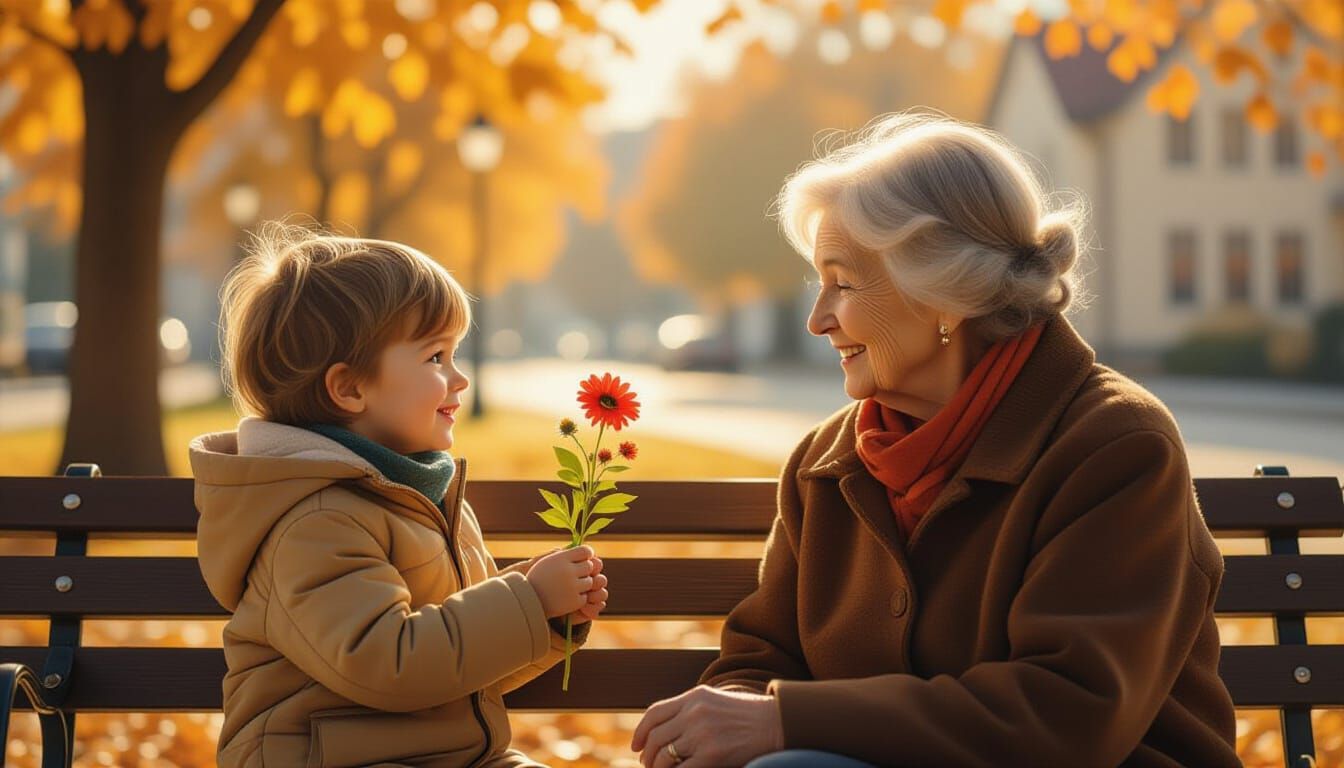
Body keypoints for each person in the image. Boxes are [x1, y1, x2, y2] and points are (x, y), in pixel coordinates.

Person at [632, 112, 1240, 768]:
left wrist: (790, 721)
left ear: (945, 292)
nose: (817, 320)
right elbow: (759, 662)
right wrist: (723, 727)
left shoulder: (1116, 446)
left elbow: (1066, 713)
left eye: (843, 282)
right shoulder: (825, 464)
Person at [190, 222, 608, 767]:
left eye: (456, 355)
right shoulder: (312, 520)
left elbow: (460, 665)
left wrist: (548, 619)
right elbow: (389, 663)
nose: (458, 379)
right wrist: (527, 601)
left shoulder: (425, 497)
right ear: (349, 387)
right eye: (435, 357)